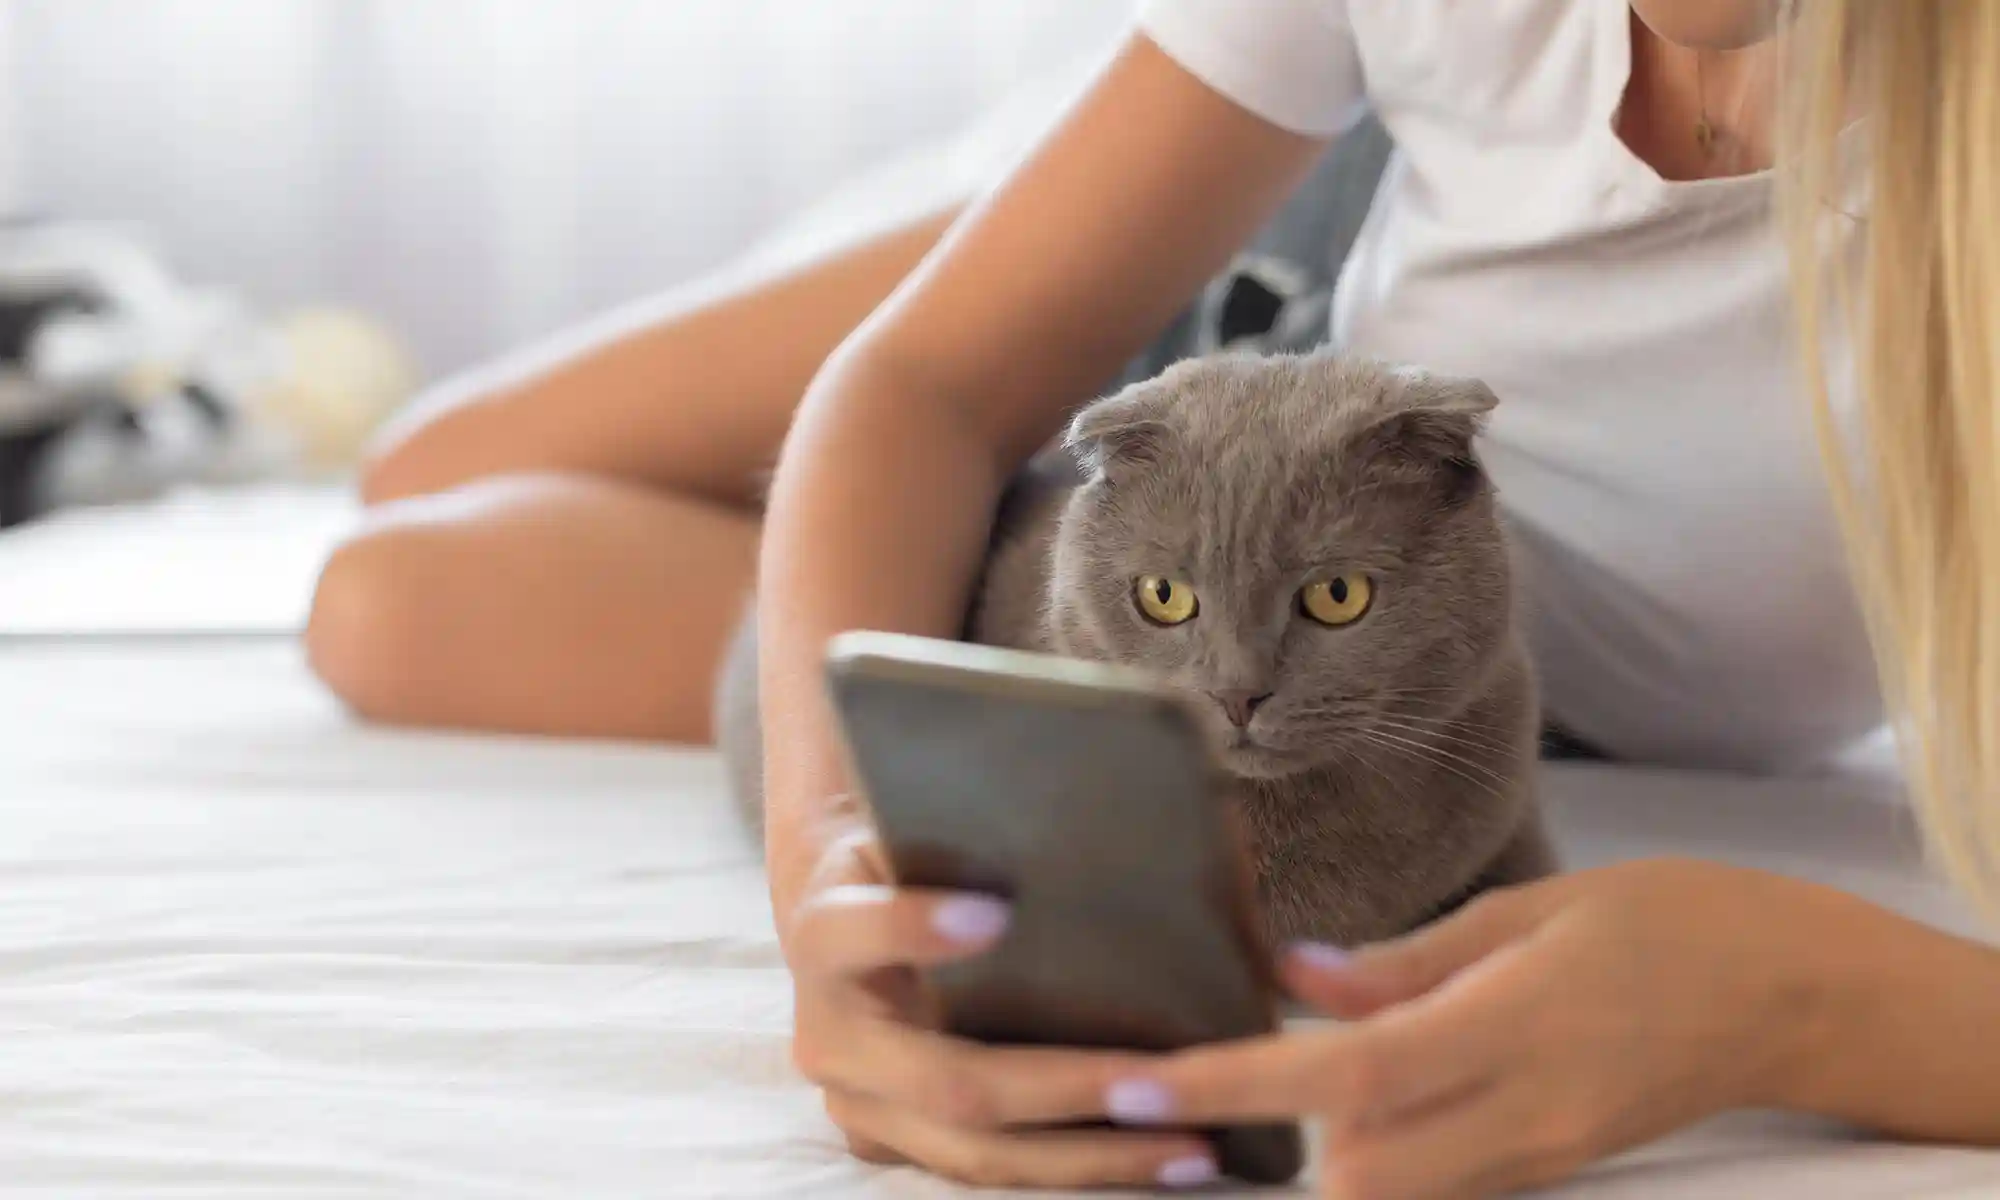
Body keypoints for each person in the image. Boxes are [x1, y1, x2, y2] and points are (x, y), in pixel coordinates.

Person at [308, 0, 2000, 1194]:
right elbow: (929, 393)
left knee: (401, 601)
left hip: (1405, 602)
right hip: (1226, 426)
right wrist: (840, 862)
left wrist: (1803, 994)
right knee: (408, 494)